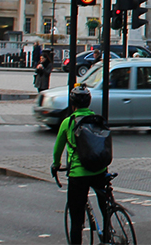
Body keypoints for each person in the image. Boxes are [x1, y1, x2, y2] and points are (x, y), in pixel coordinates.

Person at [53, 86, 109, 245]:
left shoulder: (68, 122)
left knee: (76, 220)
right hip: (100, 169)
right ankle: (108, 231)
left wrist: (56, 164)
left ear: (73, 104)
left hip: (79, 174)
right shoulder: (98, 120)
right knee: (104, 204)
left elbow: (58, 149)